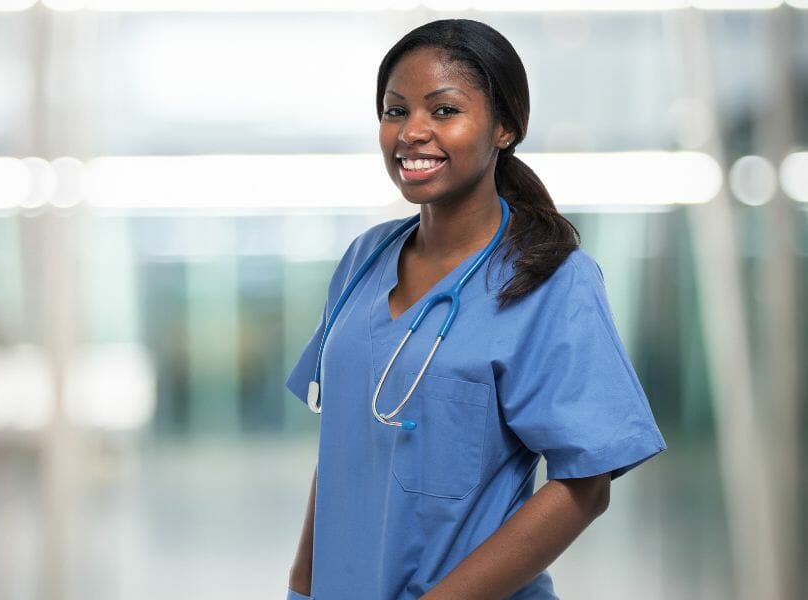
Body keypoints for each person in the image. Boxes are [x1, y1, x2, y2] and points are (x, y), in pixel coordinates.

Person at [284, 18, 667, 600]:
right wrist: (300, 588)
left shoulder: (551, 279)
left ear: (505, 128)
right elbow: (343, 443)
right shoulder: (365, 258)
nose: (411, 132)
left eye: (443, 111)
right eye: (395, 111)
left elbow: (587, 485)